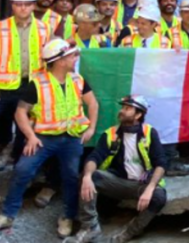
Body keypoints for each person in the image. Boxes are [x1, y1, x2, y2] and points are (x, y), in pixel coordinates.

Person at [0, 39, 98, 237]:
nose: (75, 58)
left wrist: (91, 129)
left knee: (71, 176)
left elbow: (93, 104)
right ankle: (7, 215)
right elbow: (20, 113)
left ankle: (68, 216)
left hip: (71, 139)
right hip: (43, 139)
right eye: (72, 55)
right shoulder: (37, 84)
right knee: (23, 169)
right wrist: (30, 136)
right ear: (60, 60)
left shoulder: (78, 79)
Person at [66, 95, 166, 243]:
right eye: (122, 107)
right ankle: (90, 228)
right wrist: (87, 176)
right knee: (89, 175)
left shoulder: (150, 133)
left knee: (159, 197)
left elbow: (161, 164)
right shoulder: (111, 134)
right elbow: (95, 157)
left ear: (139, 115)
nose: (122, 111)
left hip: (141, 185)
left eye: (127, 108)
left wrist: (150, 188)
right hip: (117, 182)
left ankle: (129, 233)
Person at [0, 0, 51, 173]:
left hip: (30, 87)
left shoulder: (44, 28)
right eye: (18, 4)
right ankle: (0, 153)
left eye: (27, 4)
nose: (23, 8)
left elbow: (51, 58)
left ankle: (17, 163)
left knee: (25, 128)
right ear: (12, 6)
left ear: (33, 5)